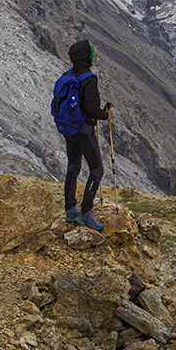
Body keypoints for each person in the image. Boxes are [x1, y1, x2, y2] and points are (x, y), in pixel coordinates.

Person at [63, 38, 113, 230]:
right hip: (84, 130)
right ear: (87, 56)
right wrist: (106, 115)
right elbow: (93, 110)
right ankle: (86, 211)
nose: (95, 53)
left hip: (70, 130)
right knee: (97, 170)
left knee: (73, 167)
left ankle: (70, 209)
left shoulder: (68, 75)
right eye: (92, 51)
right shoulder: (89, 79)